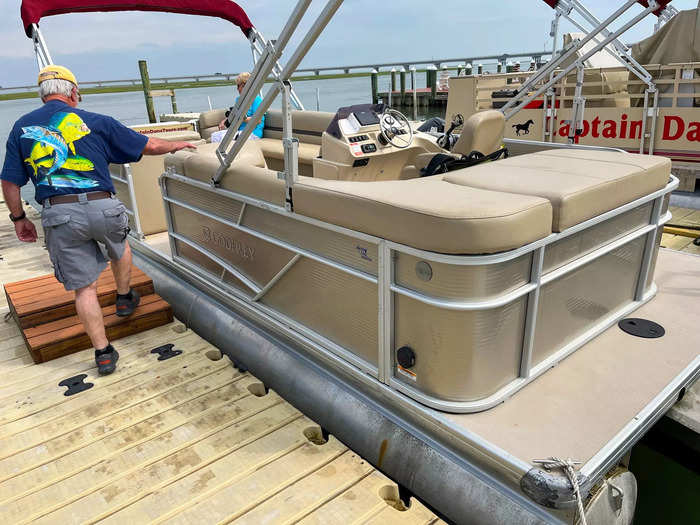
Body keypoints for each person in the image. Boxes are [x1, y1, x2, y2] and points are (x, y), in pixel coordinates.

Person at [1, 65, 196, 375]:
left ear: (42, 95)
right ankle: (122, 298)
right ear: (74, 94)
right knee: (119, 245)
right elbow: (150, 145)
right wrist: (178, 145)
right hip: (103, 206)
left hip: (60, 213)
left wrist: (19, 218)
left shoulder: (22, 128)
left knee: (85, 290)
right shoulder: (97, 121)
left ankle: (103, 353)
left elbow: (10, 183)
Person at [214, 71, 265, 141]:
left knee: (230, 139)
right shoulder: (238, 100)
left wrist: (242, 118)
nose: (237, 89)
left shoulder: (256, 99)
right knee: (215, 136)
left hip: (252, 133)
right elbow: (235, 115)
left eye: (238, 86)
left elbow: (258, 120)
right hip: (239, 132)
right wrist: (225, 121)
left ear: (246, 86)